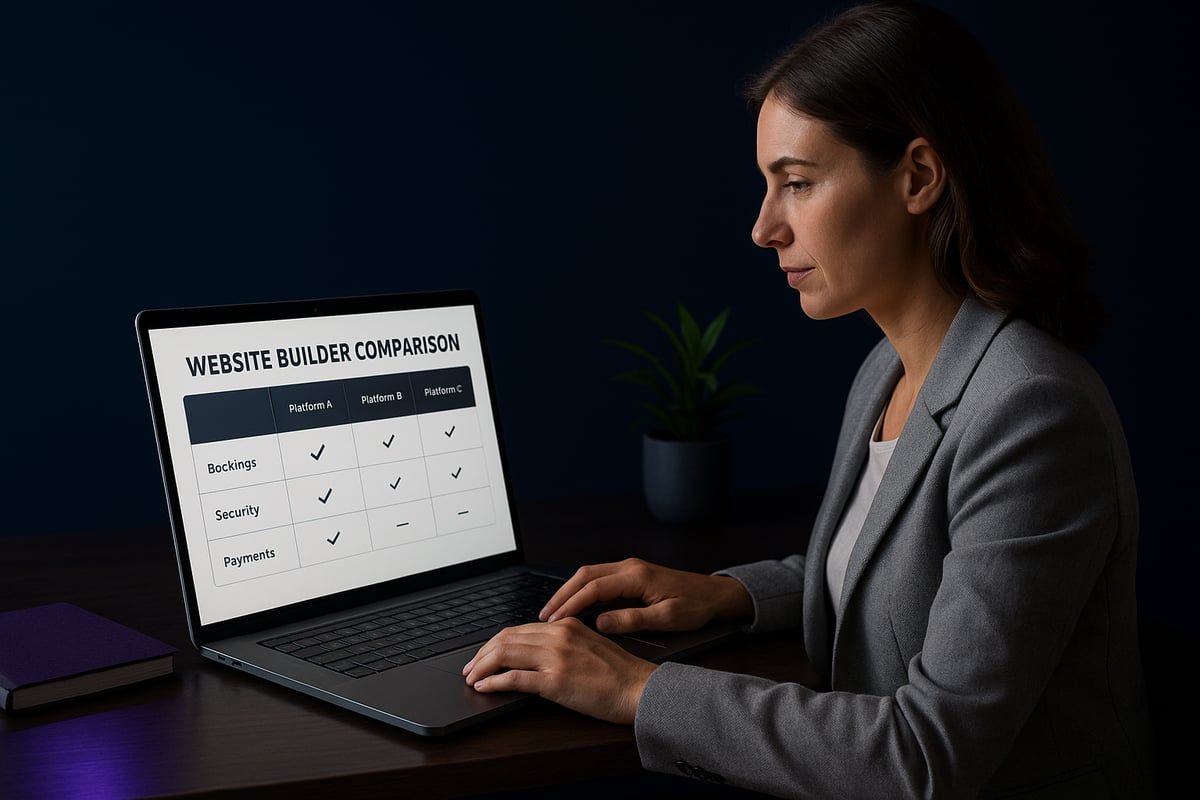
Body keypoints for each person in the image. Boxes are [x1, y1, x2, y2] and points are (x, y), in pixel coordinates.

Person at [461, 1, 1158, 796]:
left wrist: (635, 689)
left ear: (918, 177)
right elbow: (899, 573)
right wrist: (727, 593)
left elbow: (924, 758)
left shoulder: (1031, 411)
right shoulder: (886, 370)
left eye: (796, 183)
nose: (764, 228)